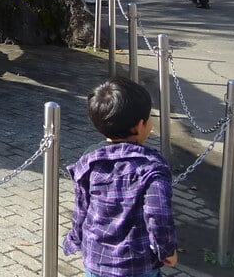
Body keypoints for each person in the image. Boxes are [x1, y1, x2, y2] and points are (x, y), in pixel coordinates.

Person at [64, 77, 178, 277]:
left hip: (96, 260)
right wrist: (166, 250)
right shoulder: (151, 166)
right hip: (137, 264)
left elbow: (82, 208)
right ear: (139, 126)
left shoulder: (89, 160)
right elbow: (158, 215)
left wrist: (75, 238)